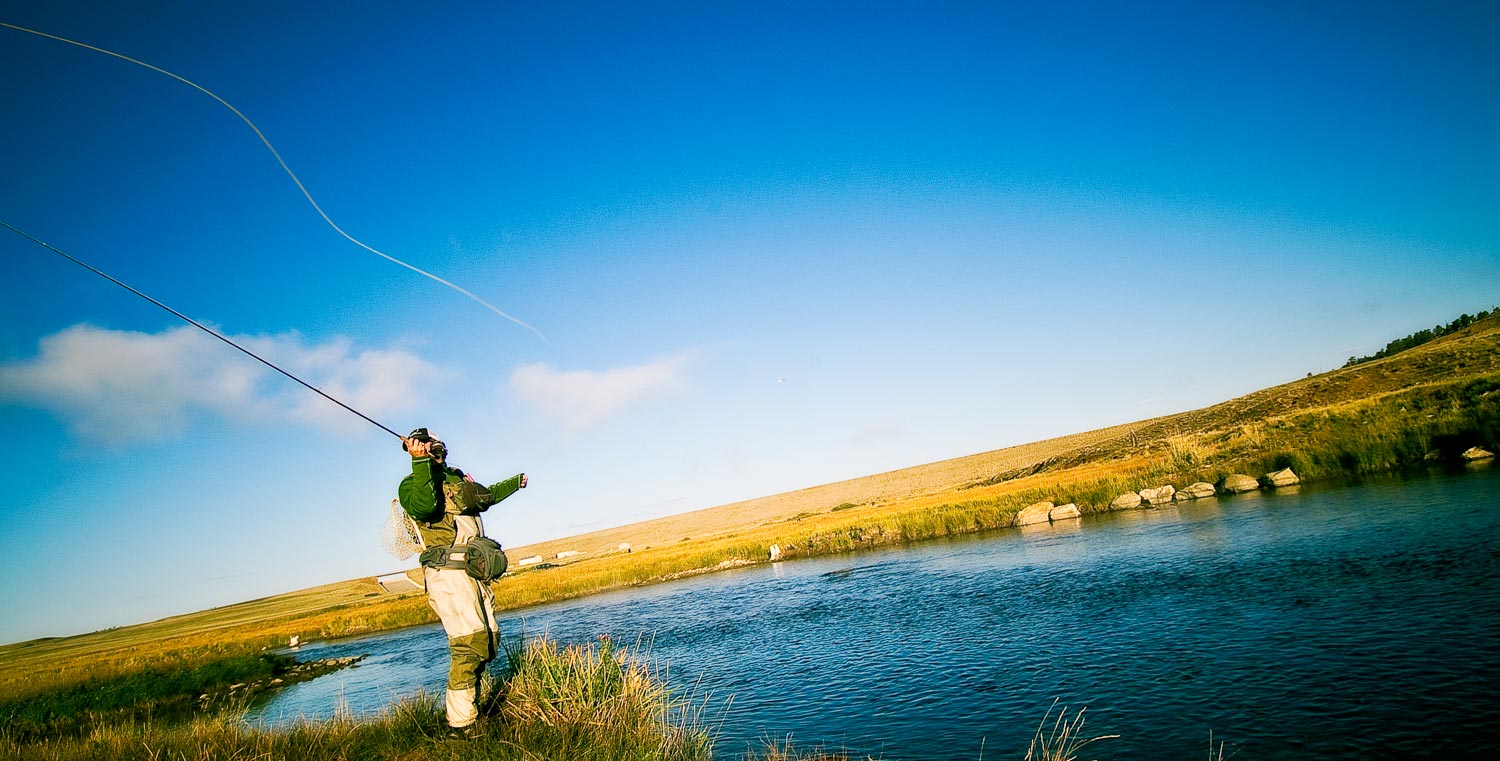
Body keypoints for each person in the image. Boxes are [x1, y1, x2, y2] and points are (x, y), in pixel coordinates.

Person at [396, 427, 527, 736]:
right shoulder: (411, 485)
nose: (435, 450)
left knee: (487, 640)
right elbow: (425, 506)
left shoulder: (454, 479)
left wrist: (515, 483)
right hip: (447, 576)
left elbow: (485, 497)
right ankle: (462, 724)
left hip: (472, 575)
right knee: (468, 644)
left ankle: (472, 708)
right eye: (428, 446)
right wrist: (419, 463)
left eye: (437, 446)